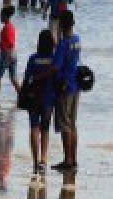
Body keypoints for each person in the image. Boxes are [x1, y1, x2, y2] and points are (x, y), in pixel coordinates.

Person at [21, 29, 57, 173]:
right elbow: (57, 77)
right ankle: (43, 160)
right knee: (45, 129)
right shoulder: (54, 59)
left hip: (34, 97)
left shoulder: (33, 58)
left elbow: (26, 78)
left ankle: (35, 161)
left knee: (34, 128)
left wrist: (22, 93)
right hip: (49, 98)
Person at [52, 11, 81, 171]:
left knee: (64, 124)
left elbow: (56, 66)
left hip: (65, 86)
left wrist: (42, 75)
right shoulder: (77, 40)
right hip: (76, 85)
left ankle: (68, 160)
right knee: (72, 123)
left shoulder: (64, 44)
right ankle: (73, 159)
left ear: (61, 25)